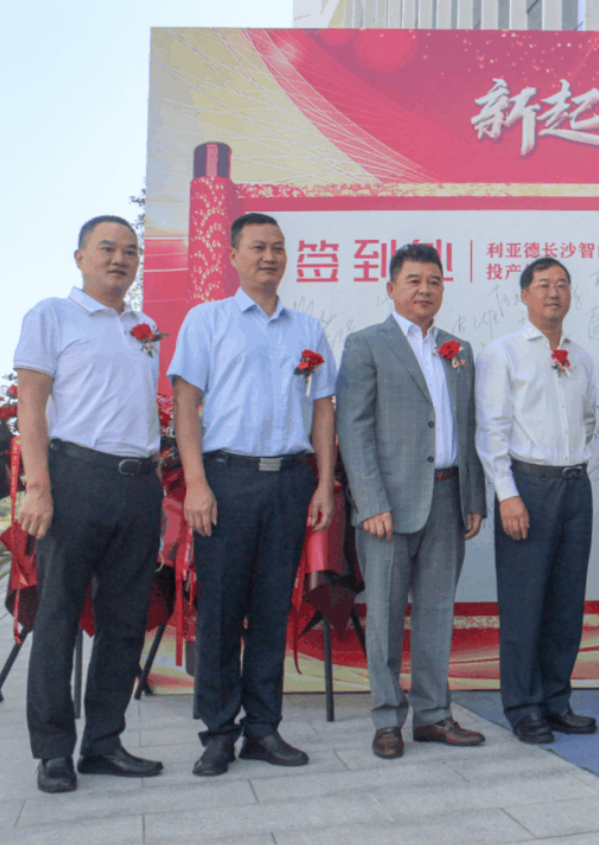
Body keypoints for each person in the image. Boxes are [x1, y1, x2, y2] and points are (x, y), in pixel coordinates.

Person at [170, 212, 337, 776]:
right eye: (258, 247)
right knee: (220, 610)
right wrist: (196, 483)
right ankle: (218, 732)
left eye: (278, 248)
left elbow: (323, 409)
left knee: (271, 609)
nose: (269, 257)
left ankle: (263, 729)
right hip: (227, 479)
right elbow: (186, 404)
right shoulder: (208, 319)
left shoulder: (307, 329)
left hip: (289, 481)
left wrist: (323, 483)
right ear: (234, 256)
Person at [15, 216, 165, 793]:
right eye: (106, 248)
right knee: (57, 617)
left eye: (130, 250)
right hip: (74, 478)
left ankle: (104, 742)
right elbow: (31, 406)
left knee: (124, 621)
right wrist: (38, 486)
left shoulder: (143, 327)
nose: (119, 259)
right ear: (80, 256)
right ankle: (53, 750)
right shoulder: (52, 315)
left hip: (138, 484)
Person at [336, 242, 487, 760]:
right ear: (391, 287)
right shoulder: (365, 344)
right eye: (414, 280)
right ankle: (386, 719)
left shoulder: (459, 349)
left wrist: (473, 496)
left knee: (436, 612)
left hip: (448, 498)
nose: (425, 290)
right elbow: (353, 428)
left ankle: (433, 715)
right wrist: (370, 500)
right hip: (388, 506)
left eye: (434, 281)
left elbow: (468, 427)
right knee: (383, 615)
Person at [475, 257, 598, 744]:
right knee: (524, 603)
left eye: (562, 284)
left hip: (574, 487)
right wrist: (507, 494)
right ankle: (523, 706)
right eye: (543, 284)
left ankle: (556, 701)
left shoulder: (581, 356)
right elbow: (491, 430)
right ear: (524, 295)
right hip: (527, 487)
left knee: (566, 602)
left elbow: (587, 421)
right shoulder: (502, 352)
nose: (554, 292)